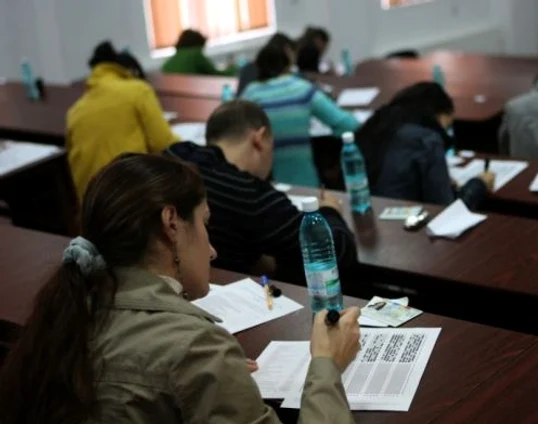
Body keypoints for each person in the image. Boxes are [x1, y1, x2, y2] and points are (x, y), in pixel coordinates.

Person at [0, 153, 364, 424]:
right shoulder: (193, 347)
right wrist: (326, 363)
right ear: (172, 224)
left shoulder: (69, 311)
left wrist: (217, 378)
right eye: (205, 224)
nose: (212, 251)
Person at [165, 100, 357, 285]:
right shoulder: (251, 195)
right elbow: (336, 250)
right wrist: (329, 210)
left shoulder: (173, 157)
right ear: (259, 138)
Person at [66, 41, 179, 201]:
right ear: (132, 72)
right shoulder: (137, 90)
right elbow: (163, 143)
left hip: (90, 204)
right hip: (129, 198)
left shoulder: (75, 110)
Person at [355, 82, 494, 207]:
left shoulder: (376, 125)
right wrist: (479, 184)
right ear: (439, 114)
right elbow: (446, 212)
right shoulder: (427, 139)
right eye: (447, 125)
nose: (446, 132)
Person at [242, 44, 360, 187]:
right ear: (288, 65)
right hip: (305, 185)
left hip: (263, 188)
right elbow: (348, 124)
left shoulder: (250, 94)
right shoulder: (301, 88)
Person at [161, 29, 238, 75]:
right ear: (198, 44)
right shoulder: (195, 55)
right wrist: (234, 68)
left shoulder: (167, 64)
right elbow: (216, 74)